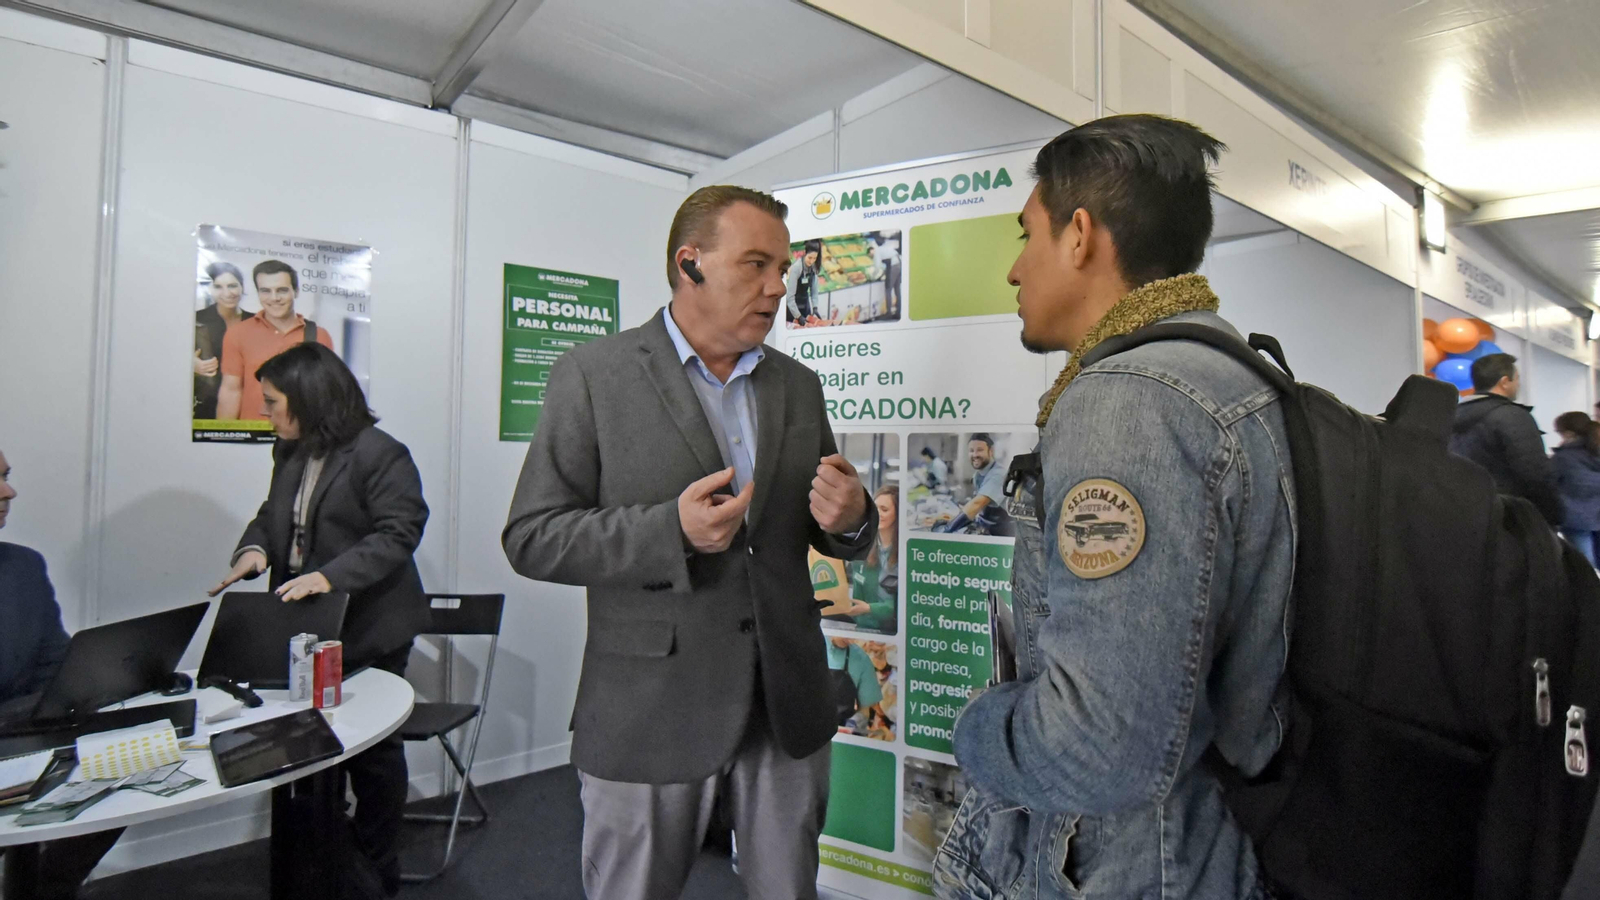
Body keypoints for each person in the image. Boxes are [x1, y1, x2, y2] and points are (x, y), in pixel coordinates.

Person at [933, 115, 1295, 900]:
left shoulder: (1130, 405)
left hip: (1128, 867)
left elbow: (1098, 750)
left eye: (1026, 235)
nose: (1014, 270)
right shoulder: (1231, 372)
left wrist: (974, 727)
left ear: (1080, 236)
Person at [502, 185, 875, 900]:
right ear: (689, 263)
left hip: (784, 704)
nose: (778, 288)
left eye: (783, 269)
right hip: (649, 710)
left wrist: (851, 516)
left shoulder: (798, 386)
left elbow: (827, 529)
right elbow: (532, 536)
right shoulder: (594, 375)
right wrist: (668, 531)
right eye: (757, 265)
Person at [208, 343, 429, 898]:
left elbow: (399, 532)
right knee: (306, 745)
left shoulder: (381, 453)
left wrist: (329, 577)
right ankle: (321, 860)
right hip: (308, 625)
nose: (264, 412)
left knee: (373, 754)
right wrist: (253, 551)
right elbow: (273, 515)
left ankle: (377, 866)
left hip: (370, 624)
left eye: (272, 402)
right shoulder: (289, 450)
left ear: (309, 399)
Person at [0, 450, 122, 899]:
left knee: (130, 760)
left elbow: (56, 666)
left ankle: (50, 889)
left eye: (7, 476)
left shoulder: (23, 567)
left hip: (20, 733)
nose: (9, 491)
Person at [1450, 353, 1563, 526]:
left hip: (1462, 513)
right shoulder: (1513, 416)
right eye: (1517, 378)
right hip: (1510, 517)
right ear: (1504, 382)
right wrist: (1552, 514)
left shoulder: (1451, 416)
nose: (1518, 384)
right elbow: (1534, 471)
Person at [215, 260, 334, 421]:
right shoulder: (237, 333)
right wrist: (224, 433)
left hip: (302, 432)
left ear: (296, 291)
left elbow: (325, 393)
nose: (274, 298)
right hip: (252, 432)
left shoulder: (319, 335)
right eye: (265, 291)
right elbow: (231, 391)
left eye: (282, 290)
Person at [193, 261, 253, 419]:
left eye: (232, 286)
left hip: (249, 405)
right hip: (206, 405)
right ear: (210, 290)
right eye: (218, 287)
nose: (227, 293)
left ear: (242, 287)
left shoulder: (257, 321)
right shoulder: (195, 319)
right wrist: (190, 365)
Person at [841, 485, 899, 633]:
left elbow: (903, 607)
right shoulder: (864, 550)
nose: (878, 514)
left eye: (884, 509)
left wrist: (869, 608)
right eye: (875, 508)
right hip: (864, 630)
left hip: (894, 633)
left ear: (898, 515)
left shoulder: (905, 555)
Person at [935, 434, 1014, 536]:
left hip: (1000, 533)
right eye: (971, 451)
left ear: (991, 451)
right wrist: (953, 519)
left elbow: (977, 504)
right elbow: (978, 510)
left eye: (980, 450)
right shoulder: (978, 475)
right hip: (986, 527)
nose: (975, 455)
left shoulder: (998, 474)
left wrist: (947, 529)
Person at [1552, 411, 1600, 565]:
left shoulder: (1563, 458)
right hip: (1597, 513)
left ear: (1568, 433)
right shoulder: (1595, 450)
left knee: (1584, 564)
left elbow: (1549, 482)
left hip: (1575, 518)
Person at [827, 636, 882, 734]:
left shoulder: (861, 659)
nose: (850, 640)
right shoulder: (810, 646)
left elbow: (865, 710)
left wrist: (853, 724)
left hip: (841, 732)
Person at [785, 239, 823, 325]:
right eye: (810, 258)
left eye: (814, 258)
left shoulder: (814, 268)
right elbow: (790, 297)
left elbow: (814, 292)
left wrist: (815, 307)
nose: (812, 261)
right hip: (793, 308)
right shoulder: (796, 268)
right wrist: (798, 316)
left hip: (805, 305)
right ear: (805, 253)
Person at [871, 231, 902, 319]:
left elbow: (877, 267)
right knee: (897, 289)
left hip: (892, 266)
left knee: (888, 289)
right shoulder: (888, 247)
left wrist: (873, 277)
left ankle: (888, 313)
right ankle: (898, 312)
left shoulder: (878, 250)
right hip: (899, 263)